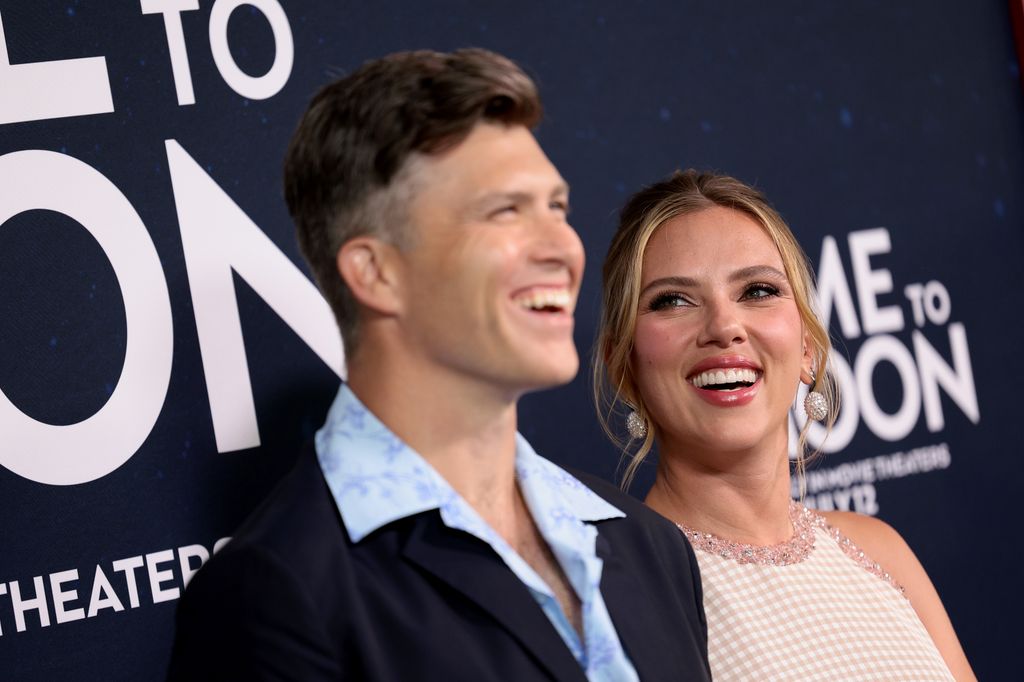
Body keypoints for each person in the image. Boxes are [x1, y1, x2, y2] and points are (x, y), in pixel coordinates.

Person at [166, 50, 711, 681]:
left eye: (556, 208)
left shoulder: (648, 545)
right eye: (505, 211)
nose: (563, 247)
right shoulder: (278, 596)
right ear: (376, 273)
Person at [593, 169, 975, 681]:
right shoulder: (625, 592)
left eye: (757, 290)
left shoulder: (876, 551)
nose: (725, 327)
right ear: (624, 366)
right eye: (673, 300)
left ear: (806, 348)